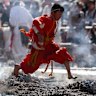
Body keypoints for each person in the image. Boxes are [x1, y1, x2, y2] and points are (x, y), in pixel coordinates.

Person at [13, 3, 76, 79]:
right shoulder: (46, 19)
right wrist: (39, 34)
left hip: (49, 45)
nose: (60, 16)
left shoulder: (54, 23)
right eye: (59, 14)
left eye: (61, 15)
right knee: (31, 67)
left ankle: (69, 74)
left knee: (63, 54)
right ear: (53, 13)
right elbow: (35, 22)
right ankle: (17, 67)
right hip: (40, 47)